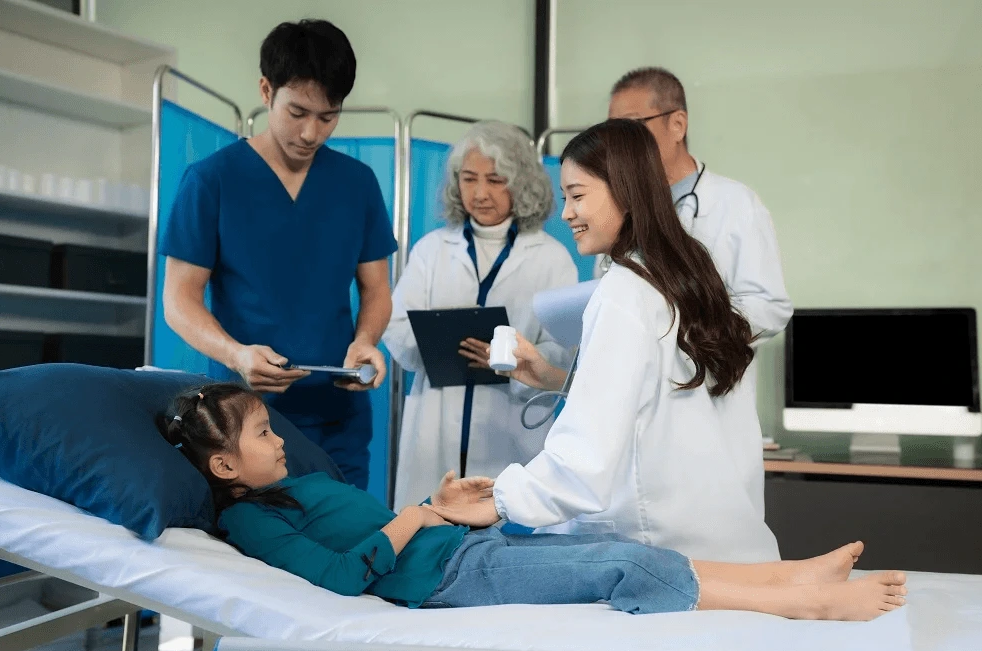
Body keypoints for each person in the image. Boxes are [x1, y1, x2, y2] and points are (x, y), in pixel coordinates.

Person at [157, 381, 908, 621]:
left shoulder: (298, 482)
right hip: (448, 578)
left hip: (456, 541)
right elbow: (347, 577)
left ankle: (792, 574)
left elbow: (379, 526)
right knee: (614, 566)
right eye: (261, 433)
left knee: (619, 541)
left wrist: (435, 500)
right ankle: (801, 605)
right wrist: (420, 516)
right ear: (224, 463)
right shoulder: (253, 520)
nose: (279, 438)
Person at [427, 119, 783, 563]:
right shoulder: (689, 276)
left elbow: (585, 461)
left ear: (627, 193)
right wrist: (554, 377)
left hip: (662, 548)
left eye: (577, 196)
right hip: (726, 538)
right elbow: (661, 404)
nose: (566, 213)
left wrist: (498, 499)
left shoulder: (623, 293)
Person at [161, 19, 397, 490]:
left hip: (339, 419)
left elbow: (376, 289)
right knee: (255, 555)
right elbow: (179, 300)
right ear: (266, 91)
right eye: (298, 112)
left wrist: (366, 339)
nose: (311, 132)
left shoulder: (357, 184)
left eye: (328, 117)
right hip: (240, 422)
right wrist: (236, 354)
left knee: (348, 544)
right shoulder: (212, 180)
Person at [382, 121, 577, 511]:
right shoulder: (431, 250)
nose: (480, 193)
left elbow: (564, 351)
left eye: (495, 179)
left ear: (520, 184)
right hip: (435, 424)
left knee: (504, 537)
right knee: (427, 536)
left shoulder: (551, 258)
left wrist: (518, 361)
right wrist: (439, 338)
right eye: (469, 179)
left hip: (509, 427)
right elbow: (396, 325)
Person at [607, 66, 793, 344]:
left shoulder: (735, 204)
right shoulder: (620, 207)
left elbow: (769, 307)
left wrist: (692, 331)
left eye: (633, 126)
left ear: (678, 125)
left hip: (707, 380)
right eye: (614, 131)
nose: (623, 143)